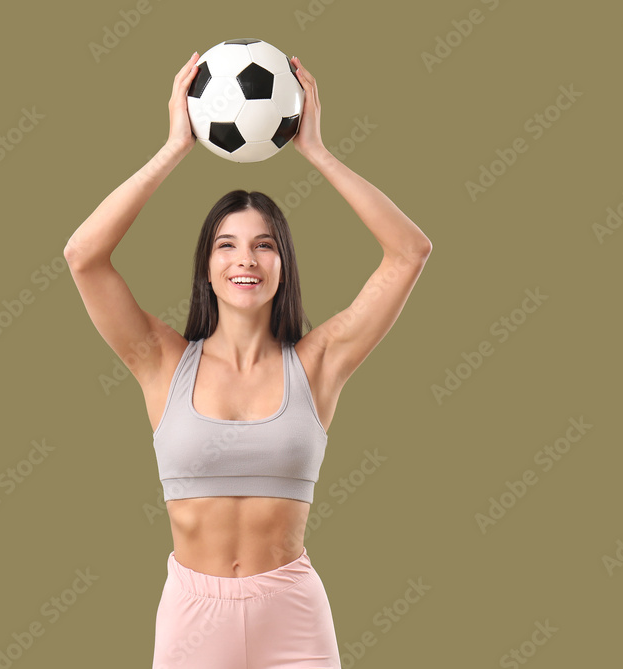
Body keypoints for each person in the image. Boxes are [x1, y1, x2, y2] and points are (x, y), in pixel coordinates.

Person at [63, 50, 432, 669]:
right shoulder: (160, 360)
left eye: (264, 245)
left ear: (283, 265)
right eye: (226, 245)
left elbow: (409, 252)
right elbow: (83, 256)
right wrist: (175, 146)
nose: (246, 260)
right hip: (192, 615)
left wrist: (316, 150)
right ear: (206, 267)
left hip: (291, 615)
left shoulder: (318, 364)